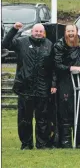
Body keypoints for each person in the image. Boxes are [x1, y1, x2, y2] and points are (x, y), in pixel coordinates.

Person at [2, 22, 55, 150]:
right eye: (36, 31)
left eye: (40, 31)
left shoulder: (49, 45)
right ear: (32, 31)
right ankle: (26, 143)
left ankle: (42, 143)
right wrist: (14, 29)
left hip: (43, 87)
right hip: (25, 87)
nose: (38, 33)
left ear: (44, 33)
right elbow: (5, 44)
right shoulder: (21, 42)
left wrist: (53, 83)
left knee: (42, 118)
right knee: (24, 119)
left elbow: (53, 67)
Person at [53, 24, 80, 148]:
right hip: (66, 81)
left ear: (77, 31)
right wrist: (71, 68)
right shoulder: (59, 45)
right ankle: (66, 141)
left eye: (72, 31)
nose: (70, 33)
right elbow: (57, 64)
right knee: (66, 111)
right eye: (68, 31)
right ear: (65, 32)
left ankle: (79, 141)